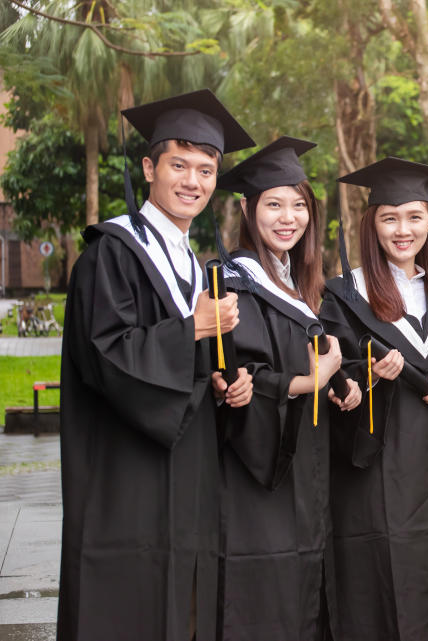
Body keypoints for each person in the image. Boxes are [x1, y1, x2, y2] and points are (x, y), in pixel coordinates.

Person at [58, 89, 255, 641]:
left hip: (188, 470)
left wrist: (222, 385)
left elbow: (192, 361)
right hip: (127, 475)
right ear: (149, 167)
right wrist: (192, 328)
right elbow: (104, 354)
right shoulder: (112, 252)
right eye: (179, 165)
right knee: (128, 605)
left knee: (185, 605)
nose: (193, 181)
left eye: (206, 169)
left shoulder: (193, 263)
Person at [320, 157, 428, 641]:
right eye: (389, 217)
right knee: (380, 595)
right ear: (371, 223)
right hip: (377, 475)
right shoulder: (342, 297)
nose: (402, 229)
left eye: (414, 216)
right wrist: (369, 378)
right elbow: (335, 374)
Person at [215, 136, 362, 640]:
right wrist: (310, 381)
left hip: (306, 466)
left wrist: (339, 385)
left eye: (299, 205)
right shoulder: (236, 283)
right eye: (274, 204)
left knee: (305, 586)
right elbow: (240, 380)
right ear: (246, 207)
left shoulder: (298, 285)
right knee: (268, 589)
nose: (288, 218)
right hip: (262, 473)